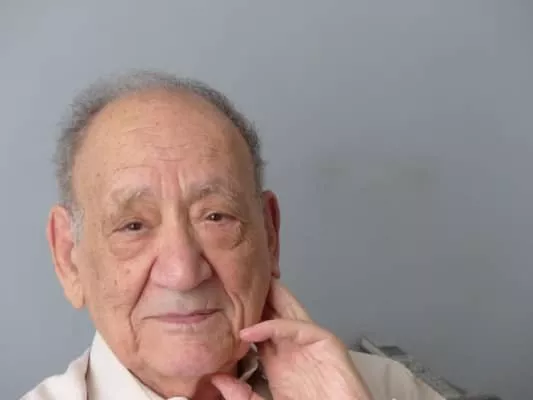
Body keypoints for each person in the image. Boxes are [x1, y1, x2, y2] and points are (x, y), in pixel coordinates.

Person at [22, 71, 443, 400]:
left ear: (270, 236)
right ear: (68, 257)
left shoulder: (386, 389)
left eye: (216, 217)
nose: (183, 273)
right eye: (134, 226)